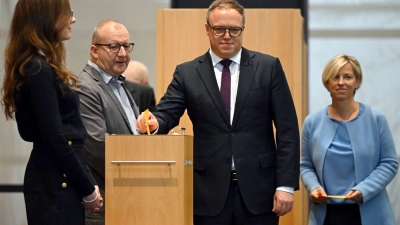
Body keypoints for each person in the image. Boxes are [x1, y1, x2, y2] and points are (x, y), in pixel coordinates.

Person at [136, 0, 300, 224]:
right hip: (207, 192)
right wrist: (154, 122)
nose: (227, 35)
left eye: (234, 29)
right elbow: (166, 114)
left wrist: (285, 185)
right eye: (219, 29)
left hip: (260, 191)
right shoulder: (187, 73)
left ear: (243, 29)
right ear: (207, 29)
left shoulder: (268, 67)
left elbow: (288, 129)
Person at [0, 0, 103, 224]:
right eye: (66, 13)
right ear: (47, 18)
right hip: (54, 186)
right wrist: (88, 188)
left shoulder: (38, 66)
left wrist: (86, 181)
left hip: (57, 181)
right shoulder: (38, 70)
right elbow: (56, 138)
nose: (73, 19)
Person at [300, 54, 399, 225]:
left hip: (370, 211)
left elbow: (389, 163)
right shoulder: (312, 122)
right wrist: (314, 187)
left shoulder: (376, 118)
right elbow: (305, 165)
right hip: (326, 215)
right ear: (327, 83)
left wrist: (364, 190)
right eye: (335, 77)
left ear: (357, 82)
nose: (341, 82)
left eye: (347, 77)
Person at [76, 20, 140, 225]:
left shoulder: (118, 83)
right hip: (104, 204)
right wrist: (143, 172)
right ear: (94, 51)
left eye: (126, 46)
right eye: (114, 46)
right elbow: (97, 147)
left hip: (126, 201)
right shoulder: (86, 87)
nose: (122, 53)